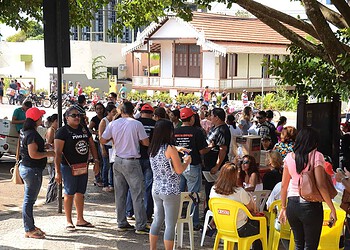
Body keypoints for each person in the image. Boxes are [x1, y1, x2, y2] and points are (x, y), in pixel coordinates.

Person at [278, 127, 337, 250]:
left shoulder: (289, 157)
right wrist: (332, 208)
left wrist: (283, 207)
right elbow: (321, 185)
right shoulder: (316, 156)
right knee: (311, 246)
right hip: (310, 206)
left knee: (298, 244)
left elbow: (284, 186)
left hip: (292, 205)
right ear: (313, 142)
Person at [100, 101, 150, 234]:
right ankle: (140, 225)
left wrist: (115, 140)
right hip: (132, 160)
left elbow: (103, 140)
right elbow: (146, 142)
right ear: (133, 110)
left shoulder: (113, 123)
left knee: (120, 193)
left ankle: (121, 222)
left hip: (118, 159)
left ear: (120, 111)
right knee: (137, 193)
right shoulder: (136, 124)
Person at [54, 106, 100, 231]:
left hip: (83, 166)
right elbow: (57, 153)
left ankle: (80, 218)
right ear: (66, 118)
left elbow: (91, 144)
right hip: (68, 167)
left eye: (78, 115)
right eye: (73, 115)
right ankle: (69, 220)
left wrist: (96, 161)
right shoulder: (62, 132)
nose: (77, 117)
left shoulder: (84, 129)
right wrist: (57, 172)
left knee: (81, 192)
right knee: (69, 192)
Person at [149, 119, 192, 250]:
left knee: (157, 220)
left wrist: (177, 149)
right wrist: (187, 161)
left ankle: (152, 248)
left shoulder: (153, 148)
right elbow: (179, 170)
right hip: (171, 190)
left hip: (156, 188)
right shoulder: (170, 148)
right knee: (170, 224)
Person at [19, 107, 55, 239]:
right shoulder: (32, 134)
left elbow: (31, 148)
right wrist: (49, 153)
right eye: (40, 116)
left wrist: (44, 147)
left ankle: (30, 226)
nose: (42, 118)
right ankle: (28, 228)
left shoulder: (26, 131)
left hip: (28, 168)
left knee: (29, 199)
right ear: (35, 119)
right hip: (31, 169)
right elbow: (33, 154)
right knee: (29, 200)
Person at [209, 162, 262, 250]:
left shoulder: (213, 189)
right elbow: (252, 210)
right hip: (239, 228)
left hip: (222, 227)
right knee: (259, 226)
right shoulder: (240, 192)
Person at [174, 107, 208, 230]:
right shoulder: (197, 132)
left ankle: (176, 218)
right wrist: (210, 147)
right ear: (192, 118)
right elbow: (202, 150)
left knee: (179, 193)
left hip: (178, 165)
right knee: (193, 195)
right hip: (192, 166)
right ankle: (193, 222)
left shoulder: (175, 131)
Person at [203, 108, 231, 211]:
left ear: (217, 117)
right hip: (208, 164)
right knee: (208, 190)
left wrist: (217, 165)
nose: (210, 118)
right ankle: (208, 211)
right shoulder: (214, 128)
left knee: (215, 190)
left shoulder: (223, 130)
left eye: (212, 116)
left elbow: (222, 149)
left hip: (215, 165)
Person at [99, 104, 117, 192]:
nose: (115, 113)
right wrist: (102, 148)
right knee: (106, 165)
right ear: (108, 112)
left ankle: (111, 184)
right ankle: (105, 183)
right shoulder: (104, 121)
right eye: (113, 112)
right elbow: (100, 136)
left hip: (112, 147)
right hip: (106, 146)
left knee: (112, 165)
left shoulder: (115, 121)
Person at [45, 114, 58, 204]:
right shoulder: (51, 130)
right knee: (53, 178)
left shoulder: (54, 130)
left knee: (54, 178)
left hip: (54, 156)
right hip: (51, 157)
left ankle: (52, 197)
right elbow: (49, 144)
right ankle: (49, 199)